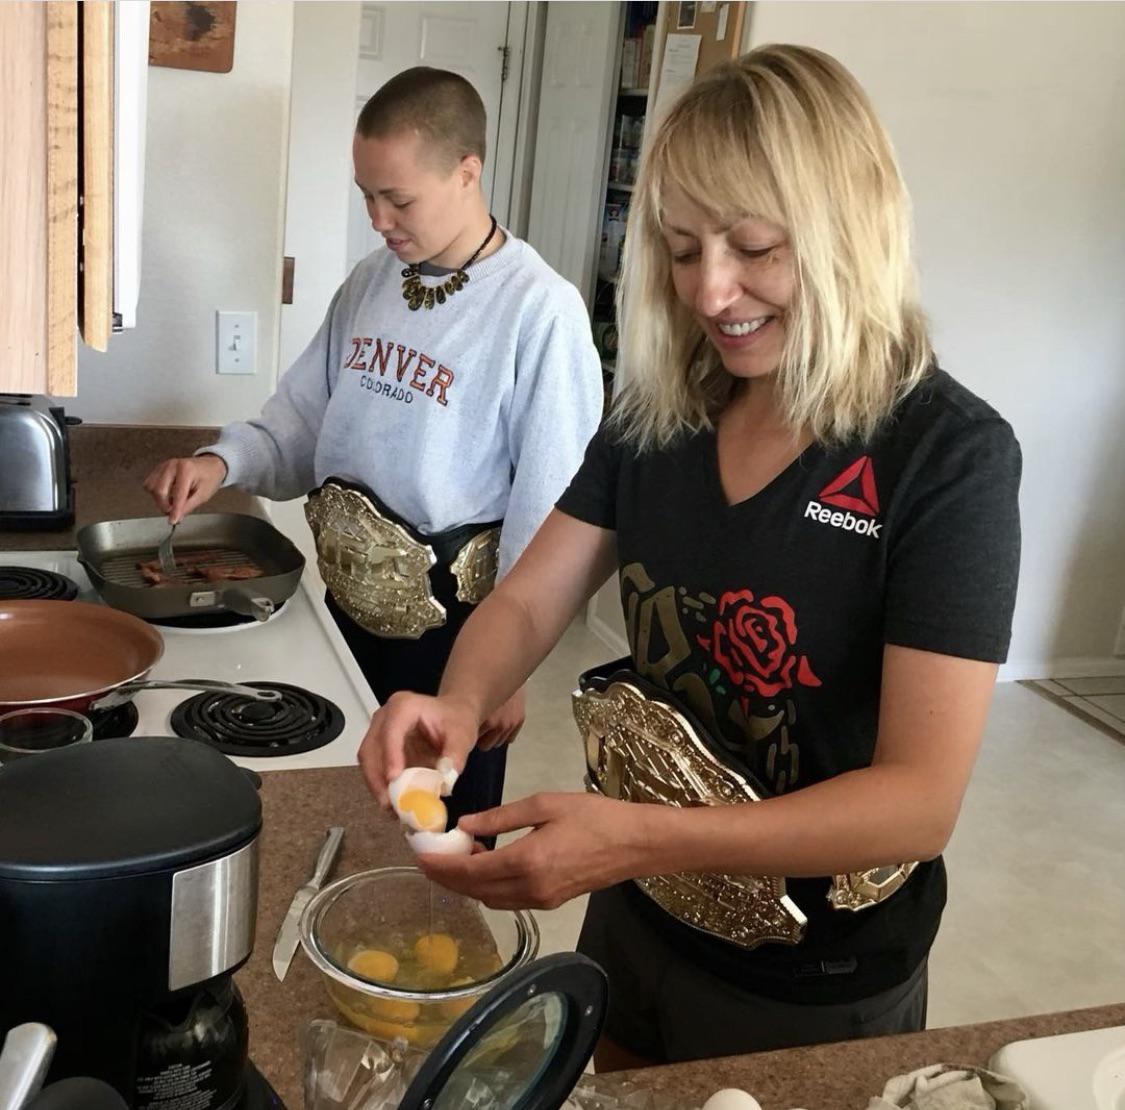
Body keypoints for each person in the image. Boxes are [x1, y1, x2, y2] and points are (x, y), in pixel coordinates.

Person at [357, 45, 1022, 1068]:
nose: (711, 293)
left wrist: (638, 836)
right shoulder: (661, 414)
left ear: (852, 231)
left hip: (815, 976)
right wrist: (458, 700)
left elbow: (918, 801)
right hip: (637, 913)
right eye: (680, 249)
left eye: (755, 247)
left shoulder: (946, 457)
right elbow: (528, 602)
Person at [145, 67, 604, 832]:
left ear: (466, 172)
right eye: (366, 195)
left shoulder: (539, 311)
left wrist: (505, 666)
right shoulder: (371, 281)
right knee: (346, 816)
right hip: (346, 611)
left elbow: (552, 505)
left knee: (435, 841)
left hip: (457, 641)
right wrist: (220, 463)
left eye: (398, 199)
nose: (378, 219)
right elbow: (302, 422)